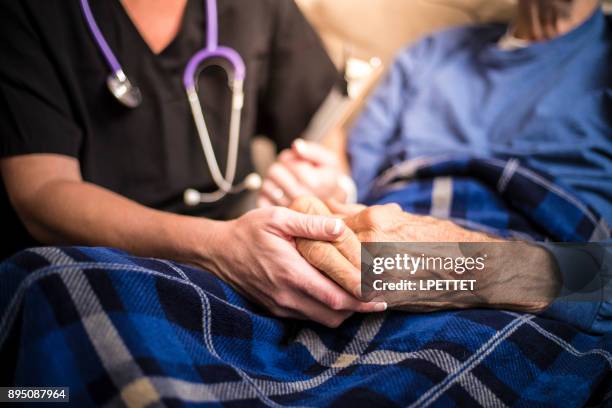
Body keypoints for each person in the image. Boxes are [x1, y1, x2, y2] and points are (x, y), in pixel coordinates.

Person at [0, 0, 387, 328]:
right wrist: (218, 248)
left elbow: (321, 127)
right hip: (96, 266)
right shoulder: (29, 13)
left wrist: (328, 183)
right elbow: (40, 192)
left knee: (420, 286)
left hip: (253, 256)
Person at [259, 0, 611, 332]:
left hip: (538, 287)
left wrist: (464, 266)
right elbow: (355, 182)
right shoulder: (428, 55)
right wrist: (327, 188)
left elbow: (603, 285)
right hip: (379, 259)